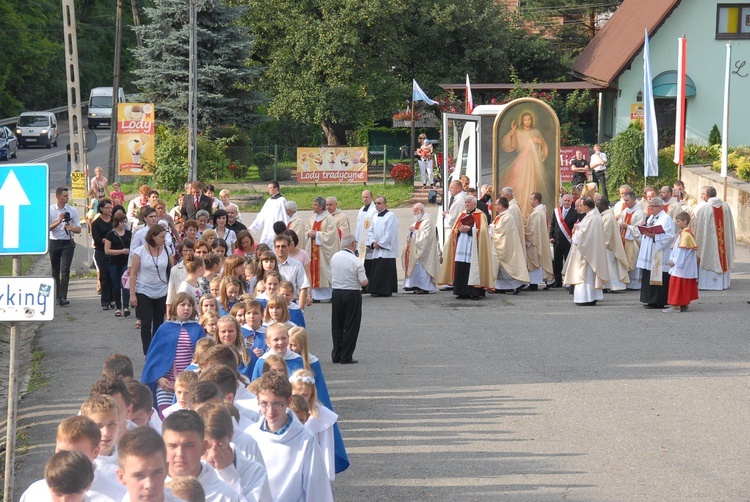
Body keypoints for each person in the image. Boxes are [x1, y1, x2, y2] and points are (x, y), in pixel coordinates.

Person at [246, 372, 333, 502]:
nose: (270, 411)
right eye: (264, 403)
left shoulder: (305, 440)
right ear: (257, 400)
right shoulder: (250, 436)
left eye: (277, 404)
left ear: (289, 401)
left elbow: (316, 488)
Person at [194, 404, 272, 502]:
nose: (212, 455)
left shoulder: (254, 473)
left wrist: (229, 476)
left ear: (231, 437)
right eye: (206, 446)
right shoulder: (188, 469)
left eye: (219, 445)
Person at [162, 410, 241, 501]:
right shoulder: (150, 492)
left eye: (188, 445)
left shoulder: (225, 497)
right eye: (173, 446)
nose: (180, 453)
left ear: (203, 447)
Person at [439, 195, 494, 299]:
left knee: (472, 268)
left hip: (473, 247)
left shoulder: (480, 215)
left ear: (474, 204)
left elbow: (483, 232)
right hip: (461, 245)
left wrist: (470, 229)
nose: (467, 204)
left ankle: (475, 291)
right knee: (461, 266)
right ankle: (461, 291)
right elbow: (454, 229)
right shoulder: (462, 214)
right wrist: (458, 230)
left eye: (469, 202)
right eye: (465, 203)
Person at [130, 225, 173, 355]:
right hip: (144, 290)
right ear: (153, 237)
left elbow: (173, 271)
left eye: (165, 236)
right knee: (146, 321)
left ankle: (156, 349)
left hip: (162, 290)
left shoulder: (167, 250)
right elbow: (133, 274)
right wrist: (132, 295)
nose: (164, 239)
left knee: (159, 322)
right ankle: (147, 351)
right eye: (161, 237)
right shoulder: (139, 252)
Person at [290, 369, 338, 482]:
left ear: (312, 393)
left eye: (305, 394)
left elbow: (327, 446)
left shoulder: (321, 415)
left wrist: (327, 475)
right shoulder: (284, 412)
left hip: (312, 465)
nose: (301, 398)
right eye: (297, 394)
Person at [499, 111, 550, 217]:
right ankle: (520, 209)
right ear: (522, 121)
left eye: (529, 119)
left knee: (532, 183)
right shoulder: (518, 132)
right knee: (520, 184)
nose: (527, 122)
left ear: (532, 120)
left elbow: (543, 145)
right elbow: (509, 145)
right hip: (522, 160)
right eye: (525, 119)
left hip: (533, 161)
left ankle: (530, 210)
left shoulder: (536, 131)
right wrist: (512, 131)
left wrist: (540, 142)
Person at [563, 196, 609, 306]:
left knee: (585, 276)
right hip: (590, 252)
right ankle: (590, 297)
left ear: (587, 207)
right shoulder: (591, 216)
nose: (579, 207)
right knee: (588, 276)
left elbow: (584, 236)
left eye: (581, 205)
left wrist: (575, 232)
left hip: (587, 254)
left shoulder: (592, 218)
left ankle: (586, 298)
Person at [330, 233, 367, 364]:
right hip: (351, 293)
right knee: (351, 325)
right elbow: (363, 281)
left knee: (337, 324)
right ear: (353, 244)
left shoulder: (335, 257)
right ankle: (346, 355)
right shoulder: (356, 261)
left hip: (337, 292)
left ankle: (337, 353)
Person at [692, 185, 735, 290]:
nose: (701, 197)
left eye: (702, 195)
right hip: (723, 243)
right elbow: (731, 226)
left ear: (706, 196)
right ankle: (722, 284)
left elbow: (698, 228)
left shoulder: (704, 209)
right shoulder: (725, 206)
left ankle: (708, 284)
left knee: (709, 255)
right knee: (721, 255)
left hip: (709, 242)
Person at [636, 196, 676, 309]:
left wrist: (655, 236)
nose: (651, 208)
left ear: (661, 206)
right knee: (648, 274)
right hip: (649, 251)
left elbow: (669, 236)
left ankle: (658, 301)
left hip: (659, 253)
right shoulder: (651, 217)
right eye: (650, 206)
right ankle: (649, 299)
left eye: (654, 206)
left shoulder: (666, 218)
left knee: (658, 275)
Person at [20, 450, 95, 502]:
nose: (64, 501)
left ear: (88, 486)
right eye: (58, 494)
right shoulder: (34, 494)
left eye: (71, 495)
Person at [49, 187, 81, 307]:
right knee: (55, 270)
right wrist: (59, 221)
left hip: (68, 242)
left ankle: (63, 296)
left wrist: (71, 228)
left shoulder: (72, 210)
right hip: (54, 241)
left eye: (68, 196)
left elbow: (78, 228)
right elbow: (46, 228)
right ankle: (56, 295)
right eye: (65, 196)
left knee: (65, 269)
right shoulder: (51, 209)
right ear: (58, 196)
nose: (67, 198)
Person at [490, 197, 530, 294]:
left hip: (505, 246)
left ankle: (519, 284)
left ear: (501, 206)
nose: (495, 206)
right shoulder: (500, 216)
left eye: (496, 204)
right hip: (498, 245)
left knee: (507, 266)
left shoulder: (507, 216)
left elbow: (500, 230)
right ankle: (500, 287)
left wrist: (490, 227)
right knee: (499, 267)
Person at [306, 196, 340, 302]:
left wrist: (317, 234)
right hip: (312, 249)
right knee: (312, 270)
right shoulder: (312, 219)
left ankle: (330, 295)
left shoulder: (329, 219)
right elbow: (306, 230)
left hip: (323, 252)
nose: (313, 207)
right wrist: (308, 233)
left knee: (326, 271)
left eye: (315, 205)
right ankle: (315, 296)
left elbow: (331, 235)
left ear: (321, 206)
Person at [664, 212, 699, 313]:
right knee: (684, 285)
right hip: (685, 266)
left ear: (685, 221)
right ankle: (684, 304)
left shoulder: (686, 235)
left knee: (677, 285)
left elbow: (682, 252)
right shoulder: (683, 233)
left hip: (681, 265)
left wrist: (674, 262)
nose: (677, 223)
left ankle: (675, 306)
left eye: (678, 221)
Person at [402, 203, 439, 294]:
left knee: (423, 270)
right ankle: (414, 285)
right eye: (413, 212)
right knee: (415, 268)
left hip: (425, 250)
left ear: (421, 211)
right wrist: (411, 234)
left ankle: (424, 287)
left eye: (416, 211)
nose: (414, 214)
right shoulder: (418, 220)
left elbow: (426, 236)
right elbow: (413, 232)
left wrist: (415, 232)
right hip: (415, 249)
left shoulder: (428, 220)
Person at [366, 196, 399, 297]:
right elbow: (370, 231)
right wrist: (373, 242)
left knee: (384, 269)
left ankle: (384, 290)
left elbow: (391, 233)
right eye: (375, 203)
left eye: (379, 203)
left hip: (386, 249)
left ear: (385, 204)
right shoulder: (375, 216)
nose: (377, 205)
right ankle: (375, 289)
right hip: (377, 248)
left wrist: (381, 244)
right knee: (376, 269)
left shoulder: (390, 216)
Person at [597, 197, 630, 292]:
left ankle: (613, 285)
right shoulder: (604, 215)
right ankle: (606, 285)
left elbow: (606, 233)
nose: (597, 207)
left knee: (610, 266)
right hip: (604, 246)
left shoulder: (609, 217)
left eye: (598, 205)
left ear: (603, 205)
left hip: (608, 246)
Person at [616, 190, 645, 290]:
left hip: (633, 242)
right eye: (624, 200)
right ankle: (626, 281)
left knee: (634, 260)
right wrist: (620, 224)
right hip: (624, 239)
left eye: (627, 200)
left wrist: (627, 226)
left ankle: (635, 283)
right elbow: (619, 222)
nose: (625, 203)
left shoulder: (639, 212)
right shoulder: (625, 211)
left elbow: (639, 230)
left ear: (633, 199)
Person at [525, 192, 554, 290]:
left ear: (536, 201)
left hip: (535, 242)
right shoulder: (541, 211)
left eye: (531, 199)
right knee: (541, 260)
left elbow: (533, 230)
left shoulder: (537, 213)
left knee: (535, 261)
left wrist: (526, 236)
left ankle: (533, 283)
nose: (529, 201)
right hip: (541, 239)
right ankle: (545, 281)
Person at [548, 193, 577, 288]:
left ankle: (569, 281)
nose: (566, 202)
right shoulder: (557, 211)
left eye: (568, 201)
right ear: (562, 201)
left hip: (568, 242)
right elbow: (553, 224)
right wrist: (551, 236)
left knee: (568, 262)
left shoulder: (575, 212)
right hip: (557, 241)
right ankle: (558, 281)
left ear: (571, 201)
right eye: (565, 200)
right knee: (557, 262)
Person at [274, 233, 309, 307]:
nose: (280, 249)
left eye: (283, 246)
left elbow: (303, 287)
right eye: (278, 246)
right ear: (274, 248)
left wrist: (301, 309)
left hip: (291, 304)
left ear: (289, 247)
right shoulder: (270, 265)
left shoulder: (297, 265)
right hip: (273, 305)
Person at [91, 198, 114, 310]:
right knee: (104, 276)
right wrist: (107, 240)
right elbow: (96, 239)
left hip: (114, 252)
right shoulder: (96, 223)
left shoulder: (114, 221)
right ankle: (105, 301)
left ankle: (113, 299)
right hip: (101, 252)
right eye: (107, 207)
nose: (110, 209)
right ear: (101, 209)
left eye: (111, 207)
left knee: (113, 276)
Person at [249, 181, 288, 246]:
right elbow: (261, 216)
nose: (268, 190)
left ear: (276, 188)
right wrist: (251, 228)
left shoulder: (281, 201)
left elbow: (282, 217)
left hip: (275, 231)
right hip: (267, 230)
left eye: (270, 188)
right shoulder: (268, 200)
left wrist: (279, 232)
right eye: (268, 188)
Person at [355, 190, 378, 285]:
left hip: (368, 242)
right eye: (363, 197)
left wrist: (369, 243)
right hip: (360, 241)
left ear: (371, 197)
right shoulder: (361, 209)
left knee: (369, 265)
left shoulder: (374, 210)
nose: (365, 199)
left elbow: (374, 227)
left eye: (367, 197)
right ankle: (364, 285)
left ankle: (369, 285)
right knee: (362, 265)